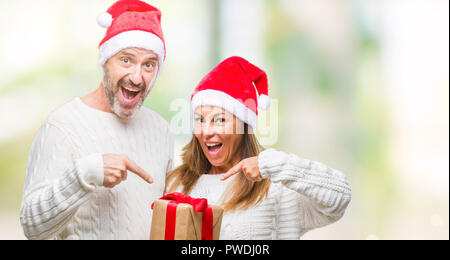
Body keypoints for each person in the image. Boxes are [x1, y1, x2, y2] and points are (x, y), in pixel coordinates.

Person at [20, 0, 173, 240]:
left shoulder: (160, 129)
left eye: (149, 65)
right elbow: (31, 226)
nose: (136, 76)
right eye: (126, 60)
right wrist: (86, 173)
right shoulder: (61, 126)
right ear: (104, 62)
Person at [166, 56, 352, 239]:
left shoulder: (277, 187)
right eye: (200, 119)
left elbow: (339, 197)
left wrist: (270, 165)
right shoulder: (177, 184)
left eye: (219, 119)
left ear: (244, 125)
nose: (206, 131)